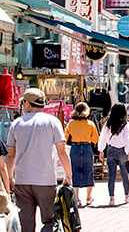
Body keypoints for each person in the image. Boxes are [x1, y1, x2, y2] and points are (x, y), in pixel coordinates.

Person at [7, 89, 72, 232]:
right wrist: (68, 176)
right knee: (49, 221)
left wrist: (10, 178)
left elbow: (11, 155)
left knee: (26, 224)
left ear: (27, 103)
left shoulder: (16, 123)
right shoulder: (52, 121)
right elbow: (62, 151)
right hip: (46, 181)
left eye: (23, 103)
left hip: (22, 181)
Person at [97, 103, 129, 207]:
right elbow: (128, 139)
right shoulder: (126, 124)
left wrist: (100, 150)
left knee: (111, 175)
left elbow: (102, 137)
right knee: (124, 174)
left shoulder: (108, 123)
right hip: (122, 151)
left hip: (111, 149)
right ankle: (127, 195)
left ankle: (112, 198)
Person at [65, 102, 99, 206]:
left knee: (74, 171)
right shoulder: (90, 124)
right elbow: (95, 139)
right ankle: (88, 198)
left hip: (75, 148)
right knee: (88, 171)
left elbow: (66, 138)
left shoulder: (71, 124)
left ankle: (77, 199)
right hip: (86, 148)